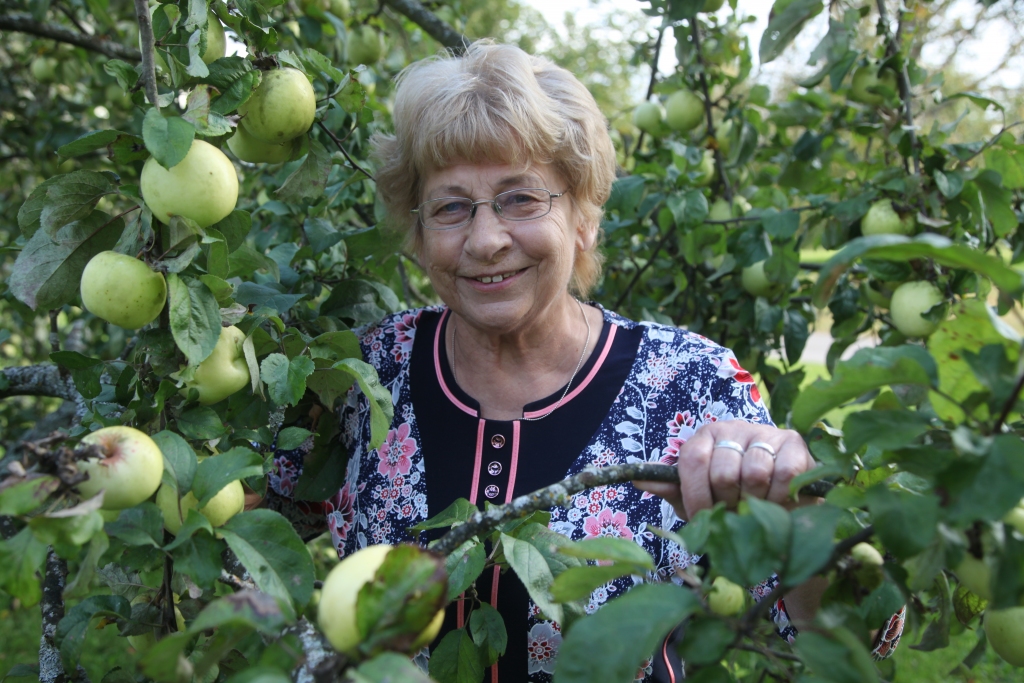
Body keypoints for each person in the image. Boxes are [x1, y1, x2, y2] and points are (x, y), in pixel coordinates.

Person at [268, 40, 904, 682]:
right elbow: (257, 529)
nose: (486, 240)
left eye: (521, 198)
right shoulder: (366, 374)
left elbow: (856, 637)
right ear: (419, 233)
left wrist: (798, 517)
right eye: (452, 207)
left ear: (584, 219)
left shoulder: (686, 382)